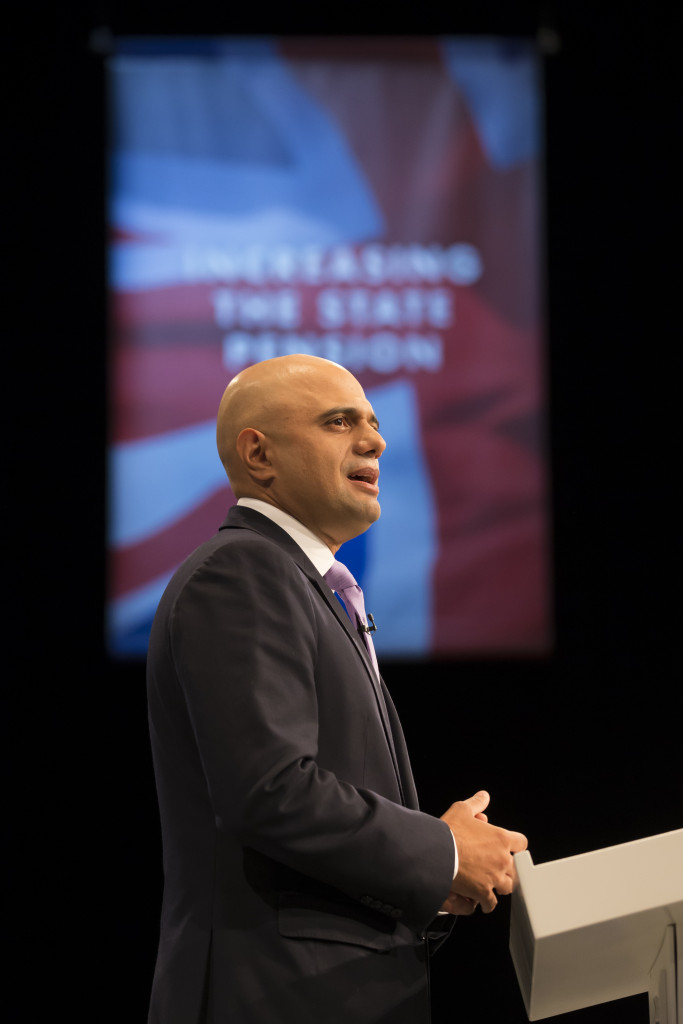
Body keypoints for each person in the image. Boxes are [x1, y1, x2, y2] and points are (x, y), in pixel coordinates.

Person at [146, 354, 527, 1023]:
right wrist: (440, 853)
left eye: (374, 423)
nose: (375, 440)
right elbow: (270, 790)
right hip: (273, 995)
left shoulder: (305, 584)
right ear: (258, 453)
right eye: (338, 421)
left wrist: (431, 876)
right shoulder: (242, 571)